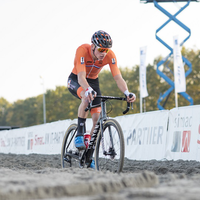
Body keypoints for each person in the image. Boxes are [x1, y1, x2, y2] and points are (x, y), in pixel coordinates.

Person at [67, 30, 136, 167]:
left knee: (97, 120)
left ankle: (88, 156)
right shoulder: (82, 50)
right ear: (93, 46)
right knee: (86, 99)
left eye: (106, 49)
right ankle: (79, 133)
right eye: (101, 49)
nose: (103, 53)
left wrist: (127, 92)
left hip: (93, 81)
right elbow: (81, 78)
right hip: (76, 80)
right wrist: (87, 90)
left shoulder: (110, 55)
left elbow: (118, 77)